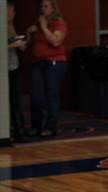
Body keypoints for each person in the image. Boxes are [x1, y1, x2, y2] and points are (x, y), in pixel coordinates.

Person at [26, 0, 67, 137]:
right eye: (41, 6)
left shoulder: (58, 22)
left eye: (46, 6)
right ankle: (35, 126)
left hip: (54, 62)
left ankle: (51, 126)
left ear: (53, 8)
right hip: (38, 62)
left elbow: (56, 41)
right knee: (36, 95)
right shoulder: (38, 23)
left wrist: (44, 28)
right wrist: (29, 32)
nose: (43, 9)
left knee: (52, 95)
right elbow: (30, 44)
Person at [7, 1, 27, 143]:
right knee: (8, 101)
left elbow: (21, 48)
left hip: (14, 66)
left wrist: (20, 43)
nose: (14, 13)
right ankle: (9, 131)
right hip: (5, 69)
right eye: (12, 10)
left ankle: (19, 132)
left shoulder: (11, 26)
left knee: (16, 101)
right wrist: (15, 44)